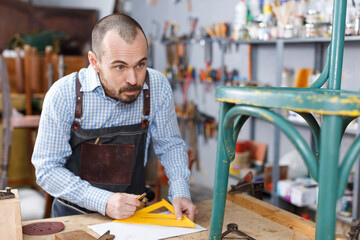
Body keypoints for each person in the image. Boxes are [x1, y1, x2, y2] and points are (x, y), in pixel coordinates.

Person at [32, 13, 197, 221]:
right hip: (75, 216)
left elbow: (171, 145)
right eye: (120, 67)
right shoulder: (64, 95)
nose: (133, 79)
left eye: (140, 64)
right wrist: (104, 201)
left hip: (133, 215)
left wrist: (181, 192)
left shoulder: (157, 87)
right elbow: (47, 170)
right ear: (94, 61)